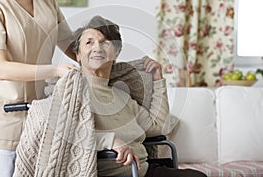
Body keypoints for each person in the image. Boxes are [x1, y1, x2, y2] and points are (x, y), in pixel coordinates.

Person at [69, 15, 207, 177]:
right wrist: (110, 141)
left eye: (105, 42)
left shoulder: (123, 97)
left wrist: (157, 80)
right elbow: (67, 134)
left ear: (115, 54)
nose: (97, 47)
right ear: (78, 55)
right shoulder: (73, 92)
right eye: (89, 42)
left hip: (143, 170)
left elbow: (158, 128)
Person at [0, 0, 78, 176]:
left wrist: (106, 55)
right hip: (5, 121)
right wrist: (54, 70)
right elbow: (2, 68)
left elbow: (72, 46)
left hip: (41, 119)